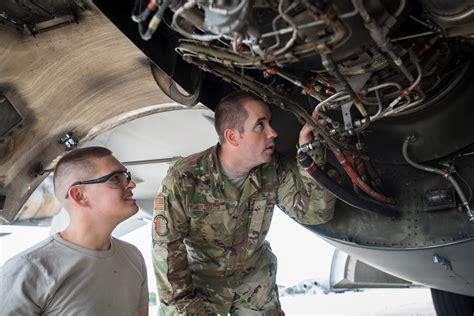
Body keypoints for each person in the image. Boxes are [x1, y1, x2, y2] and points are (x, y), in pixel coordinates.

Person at [152, 91, 336, 315]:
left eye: (269, 122)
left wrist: (311, 152)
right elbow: (167, 250)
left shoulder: (272, 169)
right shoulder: (184, 179)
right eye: (260, 125)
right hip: (200, 287)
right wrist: (184, 309)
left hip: (255, 284)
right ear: (232, 137)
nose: (273, 132)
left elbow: (315, 214)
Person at [0, 147, 149, 316]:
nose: (131, 184)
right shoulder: (29, 270)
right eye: (115, 178)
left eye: (126, 176)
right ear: (79, 196)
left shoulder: (133, 257)